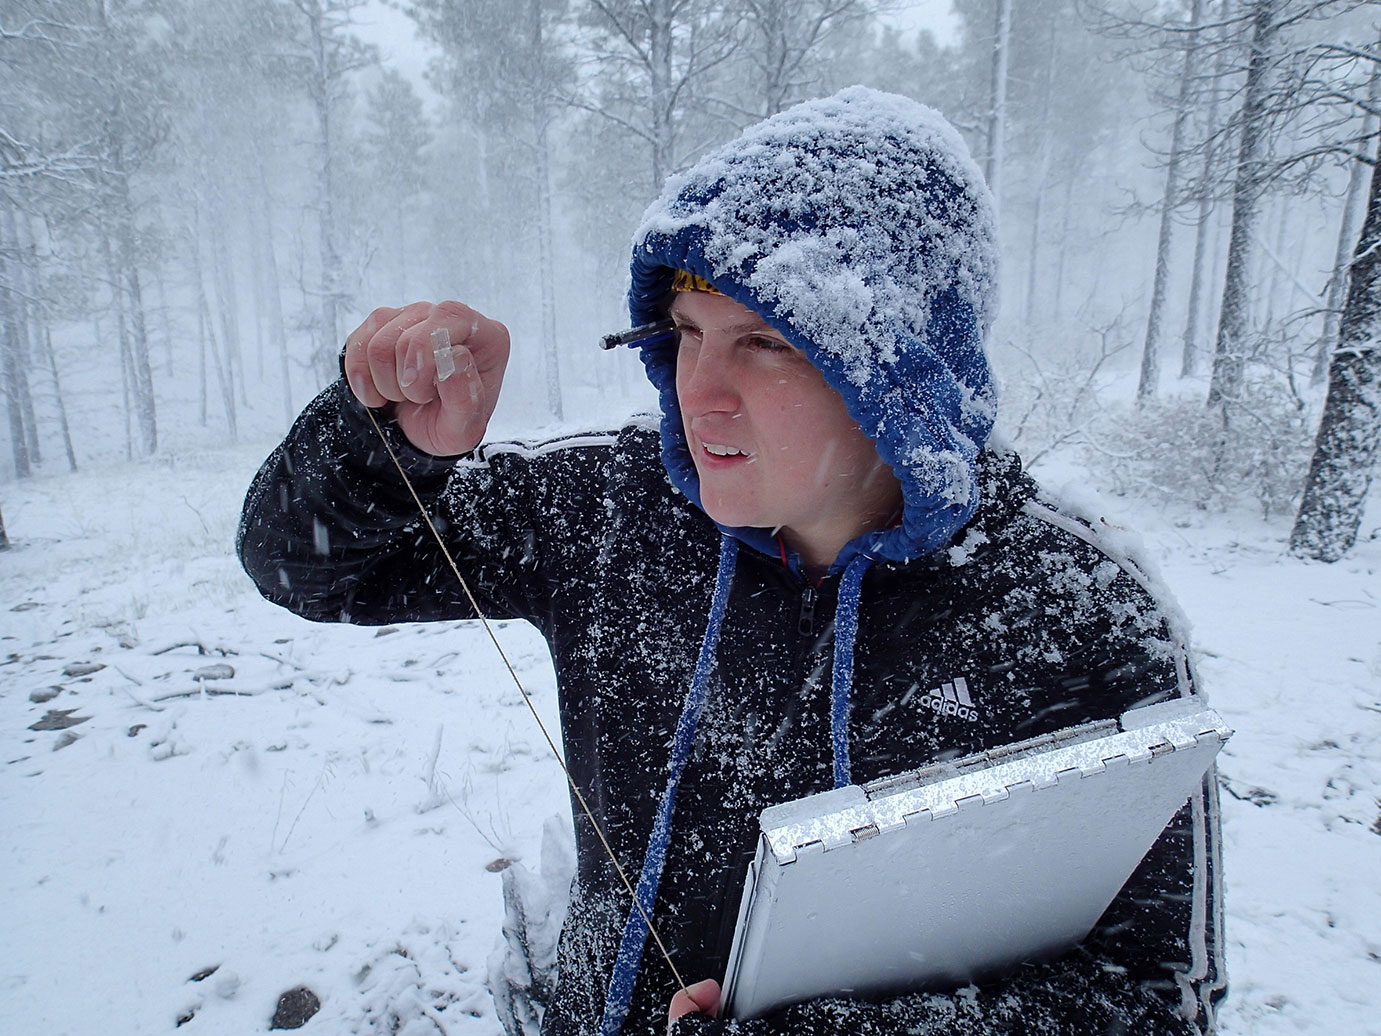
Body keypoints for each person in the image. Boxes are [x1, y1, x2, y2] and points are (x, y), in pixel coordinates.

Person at [238, 87, 1225, 1035]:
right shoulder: (613, 509)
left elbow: (1151, 999)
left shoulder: (1079, 616)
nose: (696, 390)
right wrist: (385, 443)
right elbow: (308, 567)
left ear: (901, 371)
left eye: (762, 342)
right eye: (684, 332)